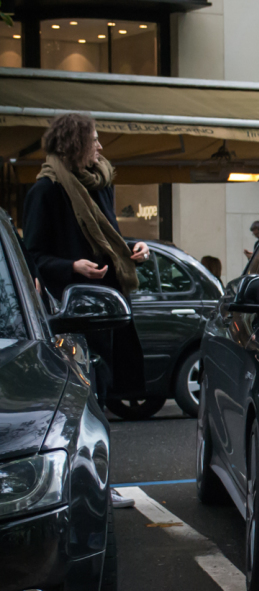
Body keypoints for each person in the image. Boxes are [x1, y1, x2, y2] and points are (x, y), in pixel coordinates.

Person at [23, 113, 149, 510]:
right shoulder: (46, 191)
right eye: (93, 140)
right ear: (73, 144)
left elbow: (106, 238)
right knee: (79, 405)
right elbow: (34, 256)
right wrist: (71, 266)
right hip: (69, 314)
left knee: (103, 397)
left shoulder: (100, 186)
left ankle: (100, 485)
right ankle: (82, 489)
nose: (99, 147)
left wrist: (132, 249)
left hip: (106, 309)